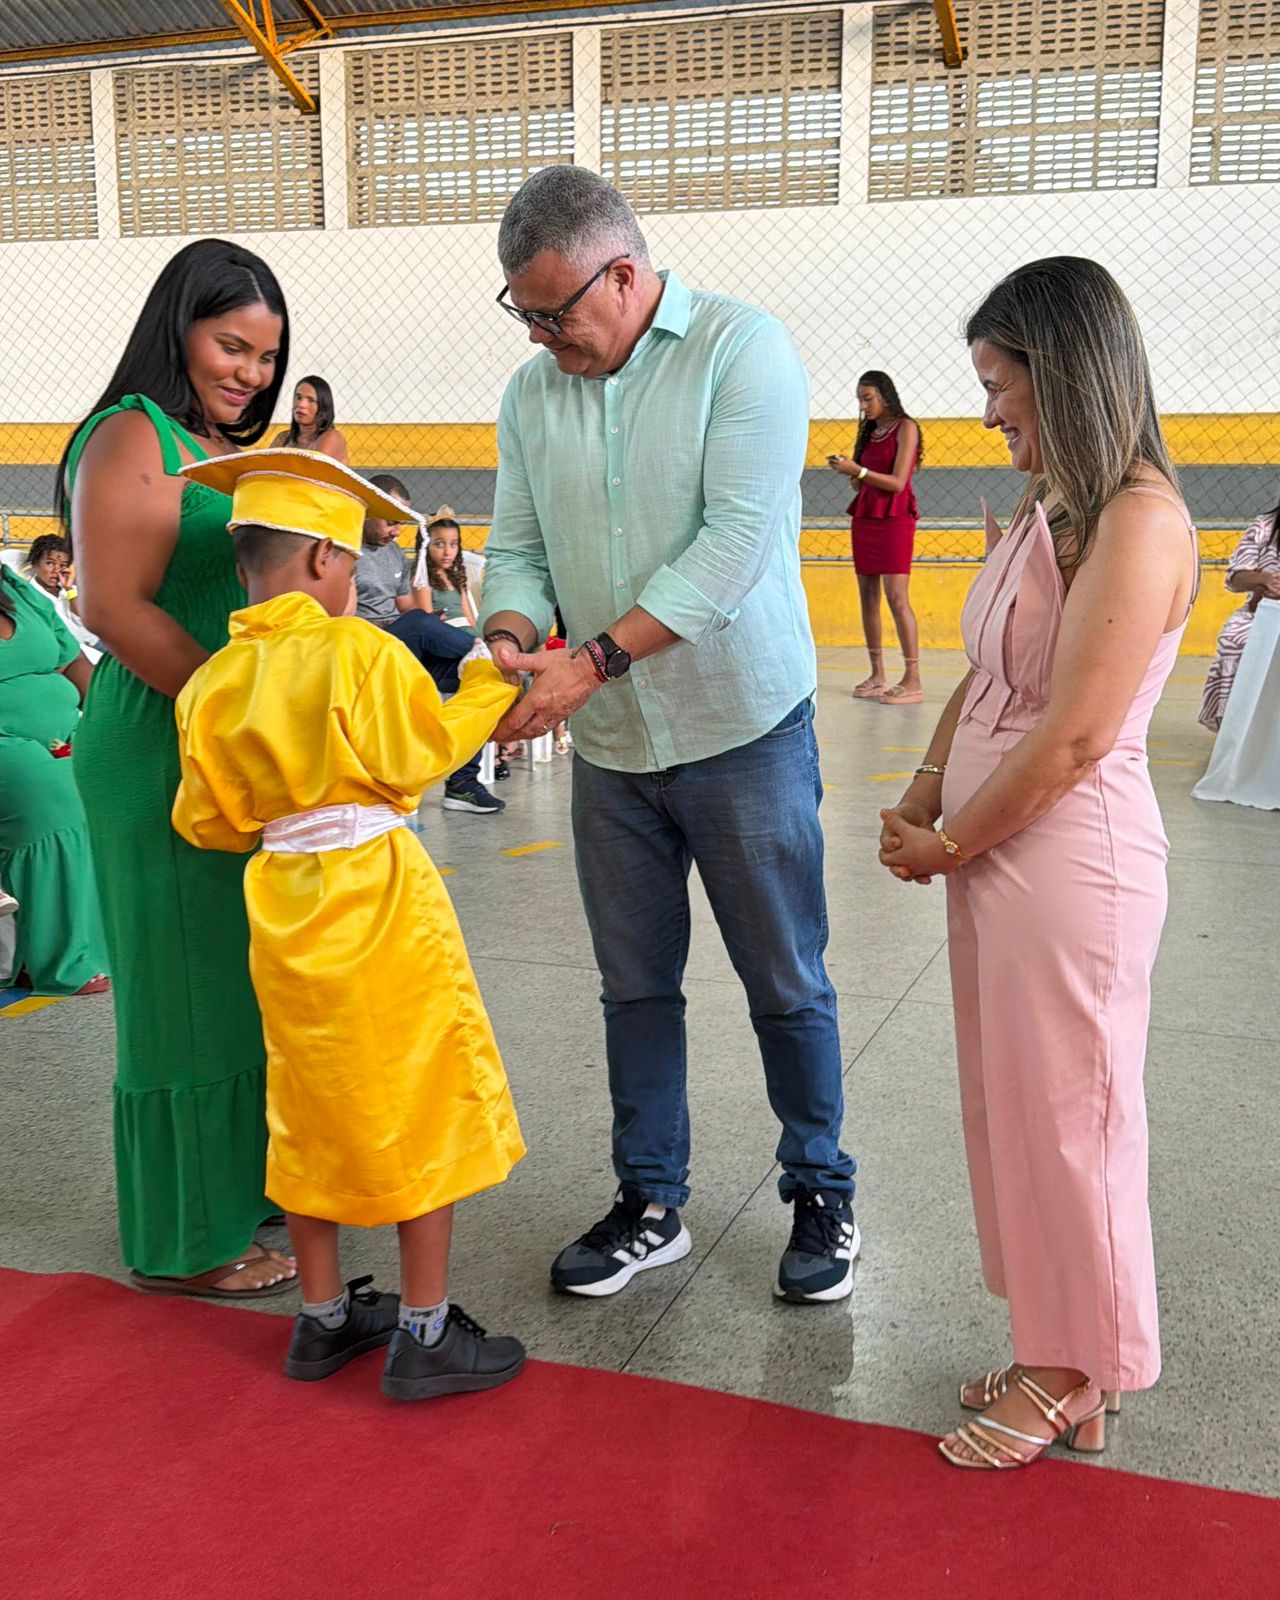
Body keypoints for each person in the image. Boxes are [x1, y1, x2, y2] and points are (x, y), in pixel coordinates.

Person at [481, 164, 857, 1302]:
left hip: (740, 729)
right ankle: (651, 1198)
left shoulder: (742, 353)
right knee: (633, 984)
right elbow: (517, 547)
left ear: (626, 273)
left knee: (784, 978)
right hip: (615, 755)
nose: (544, 336)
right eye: (524, 314)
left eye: (557, 310)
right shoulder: (530, 394)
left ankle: (820, 1188)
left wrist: (588, 660)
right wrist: (508, 639)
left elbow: (737, 547)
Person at [877, 258, 1198, 1470]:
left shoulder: (1139, 519)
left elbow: (1068, 736)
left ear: (1061, 373)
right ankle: (1057, 1343)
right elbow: (987, 679)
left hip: (1068, 860)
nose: (987, 408)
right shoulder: (1053, 509)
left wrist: (953, 836)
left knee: (1074, 1117)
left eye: (998, 383)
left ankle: (1079, 1369)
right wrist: (920, 794)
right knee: (1013, 1110)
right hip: (1003, 857)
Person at [171, 448, 526, 1400]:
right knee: (419, 1092)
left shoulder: (212, 683)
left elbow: (208, 821)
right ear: (328, 563)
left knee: (310, 1097)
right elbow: (426, 751)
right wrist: (492, 688)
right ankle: (426, 1330)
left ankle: (322, 1322)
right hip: (375, 891)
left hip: (281, 898)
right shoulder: (358, 651)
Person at [58, 238, 296, 1299]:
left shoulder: (209, 444)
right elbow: (114, 608)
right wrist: (235, 708)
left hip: (216, 734)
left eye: (265, 356)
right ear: (179, 329)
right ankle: (185, 1237)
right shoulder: (130, 435)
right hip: (162, 736)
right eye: (230, 344)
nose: (248, 372)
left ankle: (234, 1189)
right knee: (181, 993)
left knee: (236, 982)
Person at [355, 476, 502, 815]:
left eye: (401, 524)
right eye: (391, 522)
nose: (397, 532)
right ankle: (485, 650)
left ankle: (463, 784)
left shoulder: (393, 554)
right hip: (366, 645)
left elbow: (406, 608)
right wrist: (418, 623)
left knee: (480, 675)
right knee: (421, 624)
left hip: (402, 646)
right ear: (368, 509)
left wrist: (430, 621)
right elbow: (341, 615)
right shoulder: (345, 548)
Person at [0, 565, 108, 996]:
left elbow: (76, 664)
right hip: (7, 740)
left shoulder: (15, 591)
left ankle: (94, 942)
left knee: (109, 777)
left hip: (64, 732)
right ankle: (61, 960)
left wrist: (110, 723)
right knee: (54, 799)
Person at [828, 371, 922, 703]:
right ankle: (877, 674)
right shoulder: (870, 432)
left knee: (897, 597)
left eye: (868, 398)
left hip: (894, 518)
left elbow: (898, 482)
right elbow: (860, 483)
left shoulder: (906, 428)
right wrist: (850, 471)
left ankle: (913, 678)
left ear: (885, 395)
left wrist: (860, 471)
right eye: (860, 399)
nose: (863, 405)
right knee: (868, 597)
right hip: (866, 517)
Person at [1199, 508, 1280, 730]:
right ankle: (1233, 727)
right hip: (1264, 613)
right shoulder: (1265, 526)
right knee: (1234, 640)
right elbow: (1237, 577)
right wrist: (1263, 580)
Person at [21, 533, 103, 664]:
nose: (56, 570)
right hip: (74, 650)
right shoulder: (29, 596)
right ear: (35, 563)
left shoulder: (70, 590)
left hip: (96, 641)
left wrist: (69, 589)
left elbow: (82, 617)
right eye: (50, 563)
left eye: (62, 565)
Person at [411, 506, 479, 629]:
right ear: (425, 546)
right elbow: (428, 627)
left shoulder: (457, 578)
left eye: (453, 544)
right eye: (439, 545)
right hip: (446, 636)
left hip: (470, 635)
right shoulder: (422, 582)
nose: (447, 552)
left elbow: (471, 620)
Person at [271, 374, 348, 463]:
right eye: (298, 397)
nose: (301, 404)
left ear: (323, 406)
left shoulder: (331, 438)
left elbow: (311, 475)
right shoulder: (283, 438)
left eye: (311, 400)